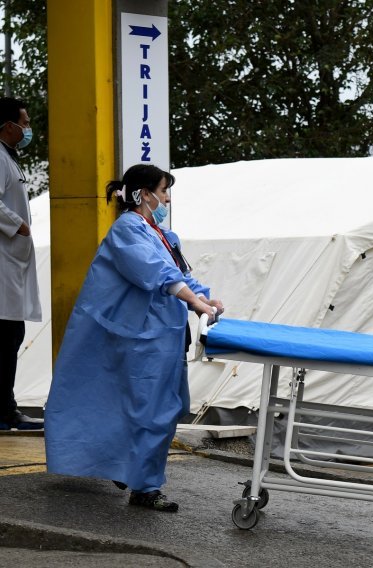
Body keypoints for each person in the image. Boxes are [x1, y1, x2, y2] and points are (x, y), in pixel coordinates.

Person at [45, 164, 223, 512]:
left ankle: (130, 467)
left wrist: (207, 299)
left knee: (164, 409)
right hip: (142, 340)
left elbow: (179, 274)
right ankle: (144, 487)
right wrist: (196, 302)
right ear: (144, 194)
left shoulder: (161, 234)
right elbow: (156, 274)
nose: (168, 198)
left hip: (163, 338)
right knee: (151, 412)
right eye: (164, 190)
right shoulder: (127, 230)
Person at [0, 96, 43, 431]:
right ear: (8, 125)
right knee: (8, 334)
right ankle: (6, 410)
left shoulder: (8, 158)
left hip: (11, 263)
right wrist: (18, 224)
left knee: (11, 334)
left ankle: (5, 408)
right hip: (4, 263)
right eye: (24, 123)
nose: (27, 129)